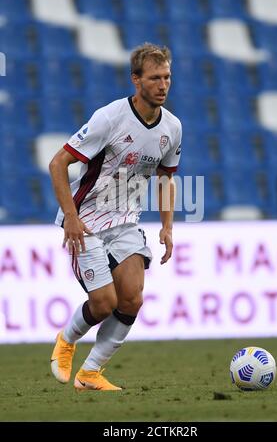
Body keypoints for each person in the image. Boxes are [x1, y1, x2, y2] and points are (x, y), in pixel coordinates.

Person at [49, 43, 182, 391]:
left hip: (126, 222)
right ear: (136, 80)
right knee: (104, 303)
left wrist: (167, 227)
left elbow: (167, 178)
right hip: (86, 222)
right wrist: (70, 216)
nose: (163, 85)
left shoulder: (173, 127)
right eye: (154, 78)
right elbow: (58, 163)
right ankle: (66, 340)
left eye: (167, 77)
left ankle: (90, 373)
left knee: (132, 298)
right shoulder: (110, 117)